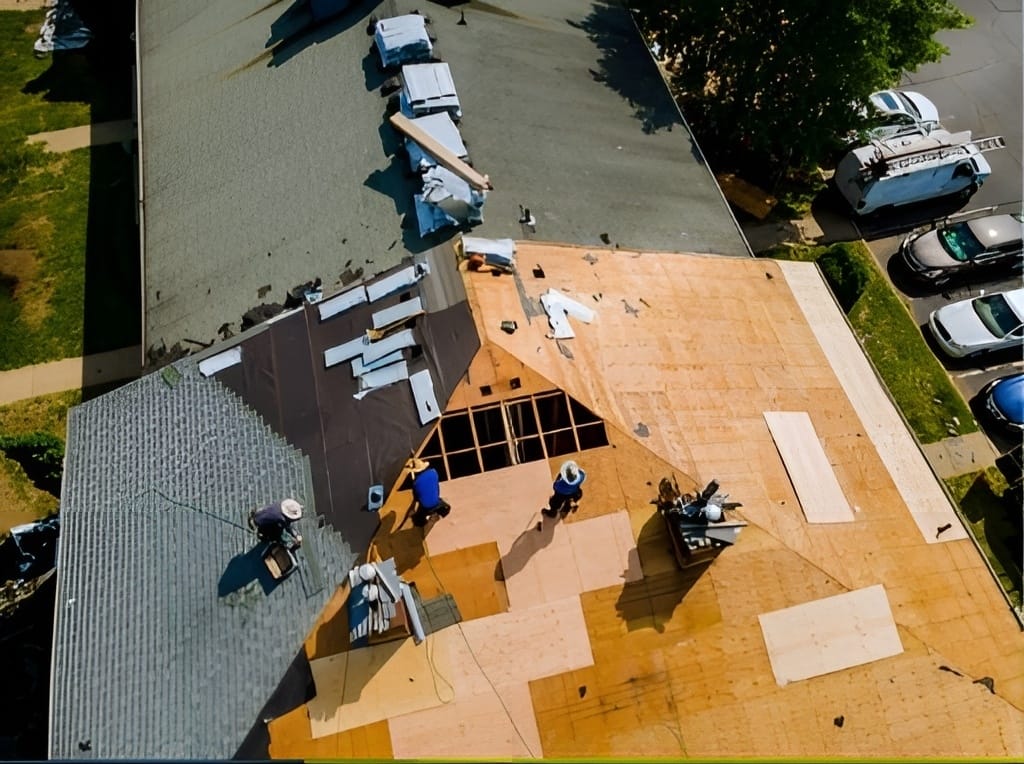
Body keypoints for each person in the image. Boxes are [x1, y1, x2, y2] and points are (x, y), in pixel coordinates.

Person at [407, 458, 451, 527]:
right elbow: (437, 486)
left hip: (426, 507)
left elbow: (417, 499)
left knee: (418, 519)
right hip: (436, 502)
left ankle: (421, 522)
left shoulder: (416, 482)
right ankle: (438, 515)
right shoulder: (434, 472)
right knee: (446, 507)